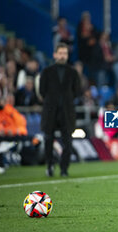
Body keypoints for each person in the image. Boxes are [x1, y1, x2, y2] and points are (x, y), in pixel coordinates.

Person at [39, 43, 80, 177]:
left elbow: (77, 91)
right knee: (48, 140)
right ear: (55, 55)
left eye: (65, 53)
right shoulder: (46, 72)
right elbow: (42, 91)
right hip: (50, 111)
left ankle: (64, 169)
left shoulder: (73, 72)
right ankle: (50, 165)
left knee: (68, 143)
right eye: (60, 53)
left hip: (67, 113)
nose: (63, 56)